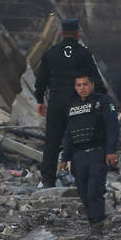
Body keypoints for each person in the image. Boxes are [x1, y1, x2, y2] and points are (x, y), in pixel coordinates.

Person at [34, 18, 106, 187]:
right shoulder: (83, 53)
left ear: (61, 34)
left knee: (52, 140)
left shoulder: (51, 53)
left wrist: (39, 101)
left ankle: (48, 179)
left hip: (56, 102)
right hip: (76, 102)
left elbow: (41, 80)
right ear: (77, 34)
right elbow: (96, 79)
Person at [58, 75, 120, 237]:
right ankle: (94, 222)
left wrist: (111, 151)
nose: (82, 88)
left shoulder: (104, 102)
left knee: (94, 190)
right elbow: (69, 134)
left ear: (92, 85)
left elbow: (113, 127)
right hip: (78, 157)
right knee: (83, 192)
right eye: (78, 85)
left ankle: (98, 224)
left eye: (85, 84)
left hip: (97, 154)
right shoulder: (73, 106)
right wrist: (64, 159)